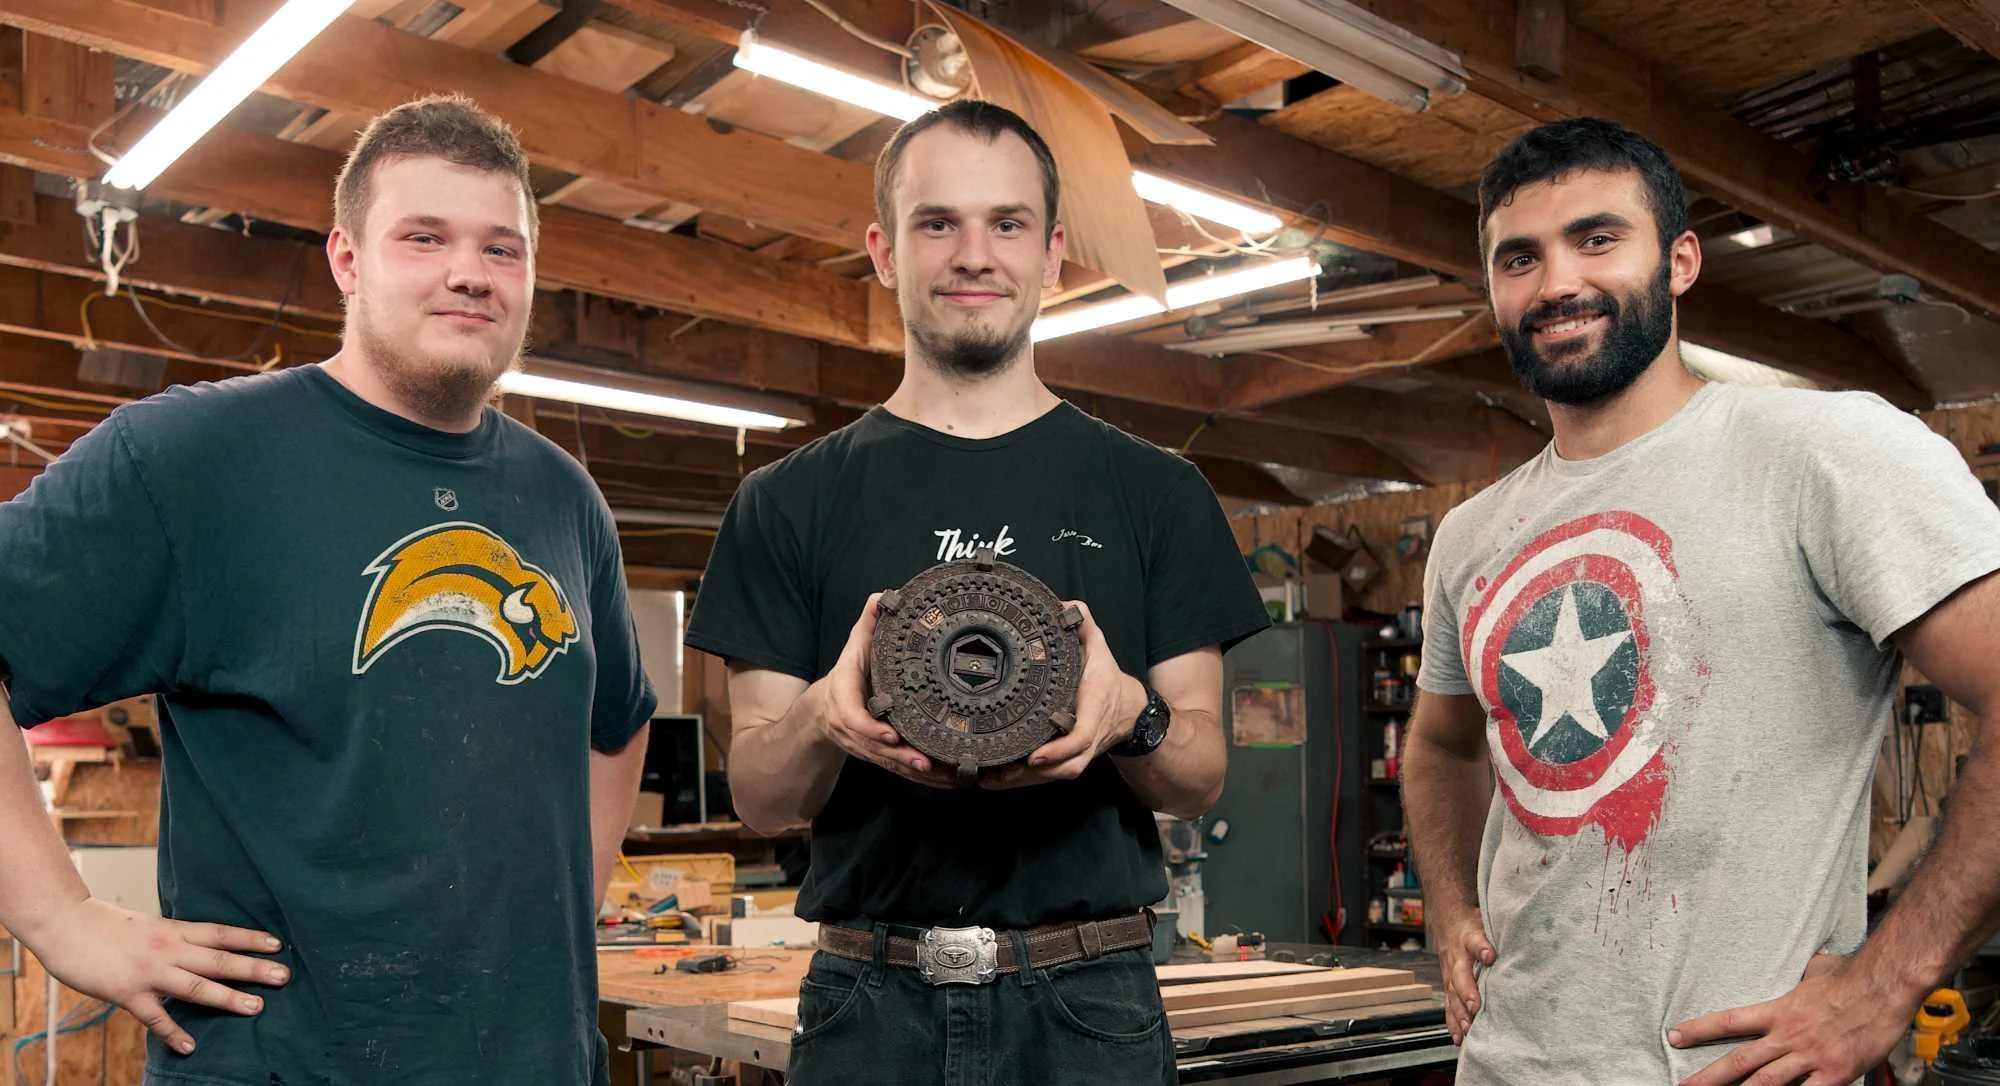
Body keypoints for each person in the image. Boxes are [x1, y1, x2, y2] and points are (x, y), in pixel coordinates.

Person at [0, 94, 657, 1085]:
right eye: (424, 237)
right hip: (291, 1063)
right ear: (346, 259)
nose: (469, 272)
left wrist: (563, 916)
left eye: (502, 248)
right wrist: (60, 916)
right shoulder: (196, 457)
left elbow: (618, 723)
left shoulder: (563, 496)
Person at [1403, 115, 2000, 1085]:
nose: (1555, 283)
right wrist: (1448, 908)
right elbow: (1439, 745)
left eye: (1596, 239)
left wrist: (1885, 985)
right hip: (1507, 1064)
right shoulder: (1471, 536)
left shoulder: (1822, 452)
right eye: (1519, 258)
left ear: (1679, 262)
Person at [685, 99, 1270, 1085]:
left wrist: (1128, 714)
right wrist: (825, 717)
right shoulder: (785, 502)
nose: (972, 255)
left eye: (1005, 223)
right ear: (882, 252)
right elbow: (761, 795)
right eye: (936, 223)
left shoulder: (1155, 492)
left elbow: (1200, 773)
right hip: (870, 1006)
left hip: (1089, 1007)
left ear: (1051, 253)